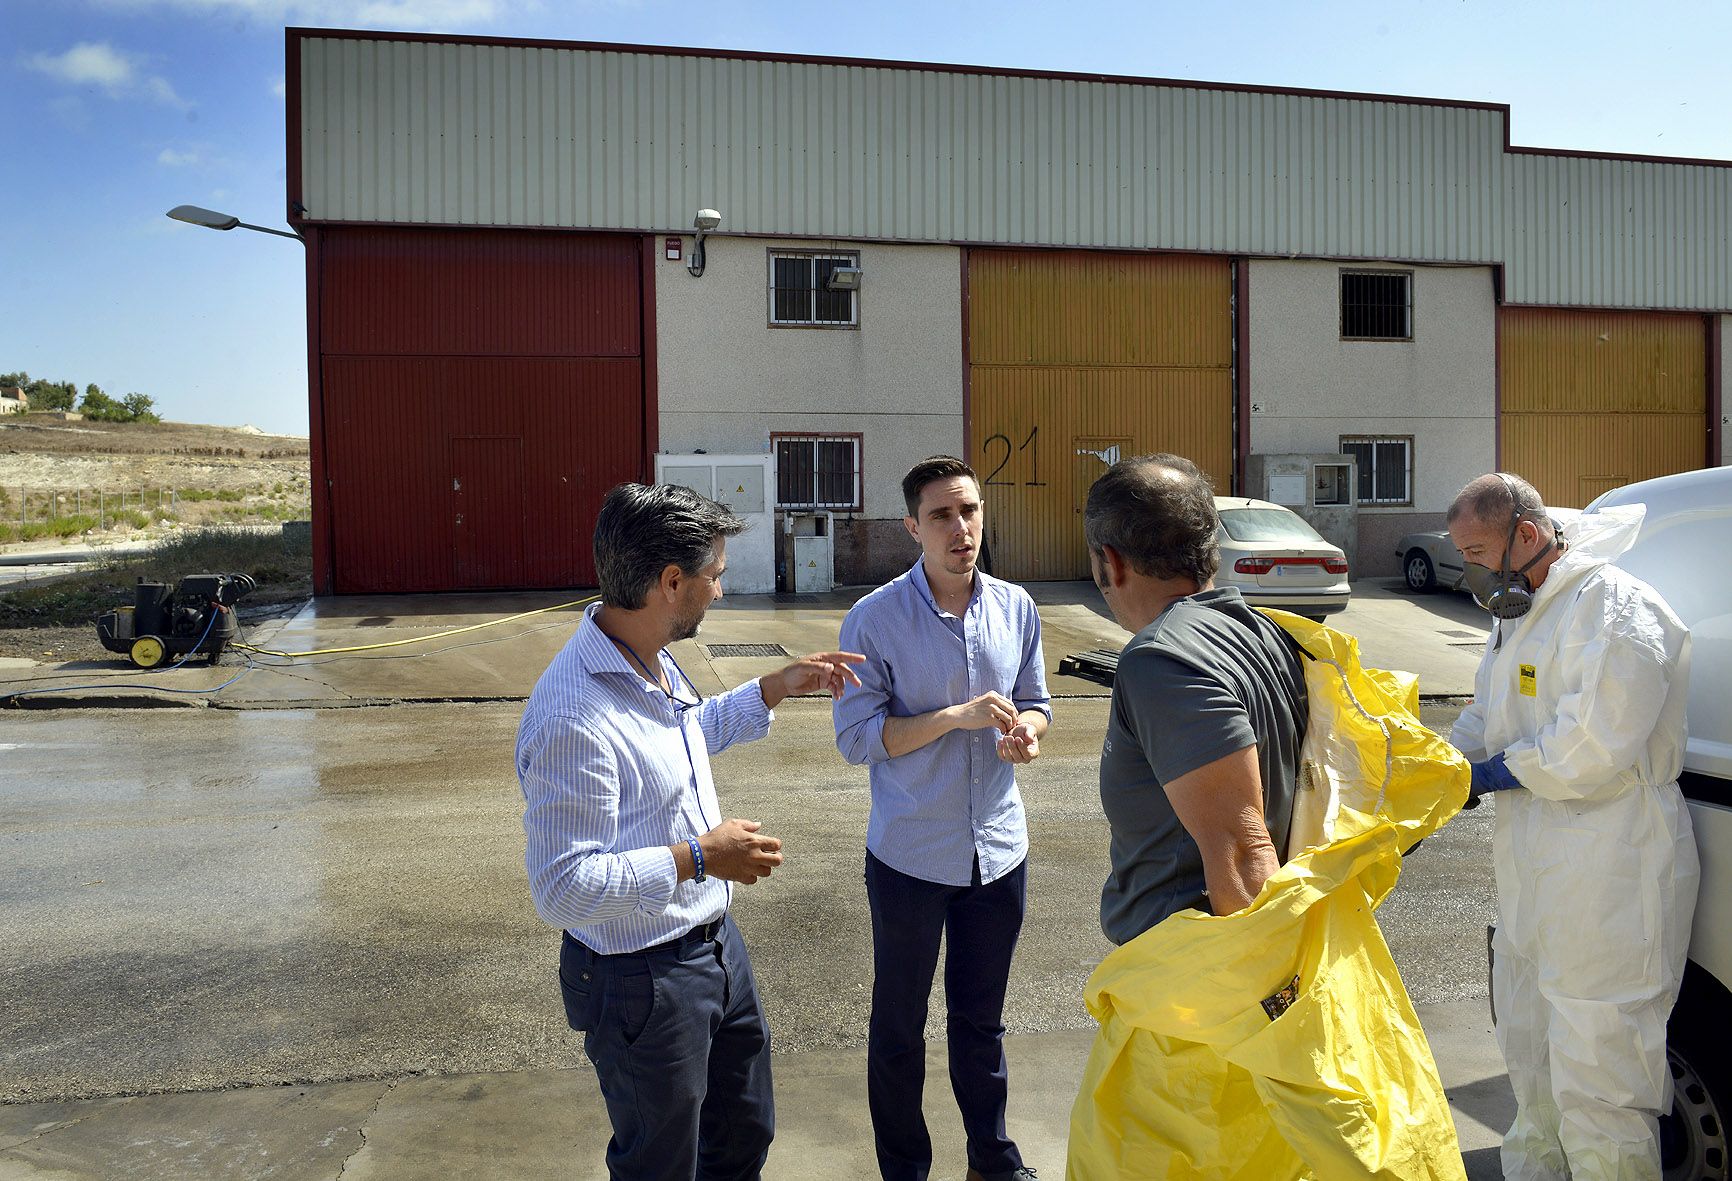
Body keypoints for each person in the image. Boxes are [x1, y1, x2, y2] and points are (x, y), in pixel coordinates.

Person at [516, 481, 864, 1181]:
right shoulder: (573, 717)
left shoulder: (646, 652)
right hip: (639, 978)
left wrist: (772, 688)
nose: (721, 591)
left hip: (713, 947)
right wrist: (699, 856)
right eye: (716, 576)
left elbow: (678, 739)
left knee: (742, 1133)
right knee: (661, 1164)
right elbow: (563, 886)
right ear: (671, 582)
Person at [1446, 471, 1697, 1181]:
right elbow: (1487, 714)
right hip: (1537, 858)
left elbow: (1594, 743)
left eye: (1477, 552)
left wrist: (1492, 774)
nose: (1471, 570)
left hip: (1612, 854)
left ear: (1526, 535)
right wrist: (1441, 768)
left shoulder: (1615, 609)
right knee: (1531, 1046)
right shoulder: (1520, 615)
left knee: (1601, 1061)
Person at [833, 455, 1050, 1181]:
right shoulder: (875, 619)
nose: (961, 529)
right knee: (899, 1028)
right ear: (912, 527)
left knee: (981, 1021)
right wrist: (953, 717)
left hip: (998, 850)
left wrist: (1028, 734)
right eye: (941, 516)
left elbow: (1037, 701)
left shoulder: (1016, 606)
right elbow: (857, 738)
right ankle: (906, 1169)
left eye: (969, 511)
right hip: (911, 856)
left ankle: (992, 1159)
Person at [1082, 452, 1307, 936]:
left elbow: (1244, 854)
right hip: (1253, 939)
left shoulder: (1160, 661)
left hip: (1189, 961)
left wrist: (1263, 980)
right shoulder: (1264, 633)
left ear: (1110, 562)